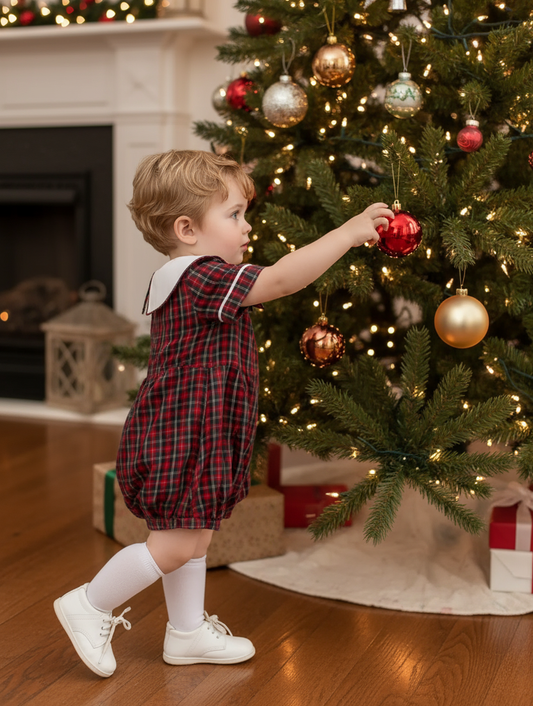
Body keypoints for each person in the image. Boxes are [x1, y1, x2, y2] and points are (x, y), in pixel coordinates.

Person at [53, 150, 393, 678]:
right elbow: (280, 280)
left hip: (202, 430)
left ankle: (186, 632)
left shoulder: (192, 277)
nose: (246, 226)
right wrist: (347, 233)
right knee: (172, 543)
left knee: (197, 535)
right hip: (184, 434)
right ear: (187, 228)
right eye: (233, 215)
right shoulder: (200, 276)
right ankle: (90, 604)